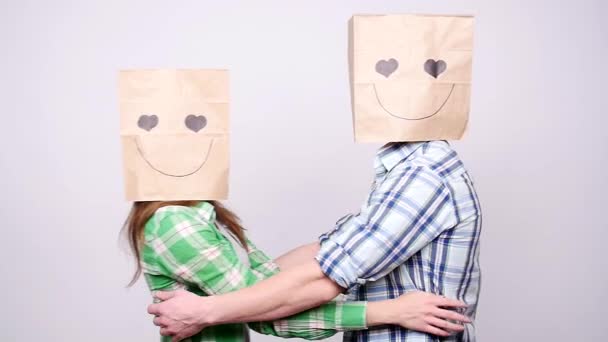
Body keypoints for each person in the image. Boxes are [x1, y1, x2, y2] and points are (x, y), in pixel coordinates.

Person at [125, 200, 472, 341]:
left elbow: (264, 279)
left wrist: (354, 241)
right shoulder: (176, 221)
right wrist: (391, 312)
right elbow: (265, 313)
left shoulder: (200, 211)